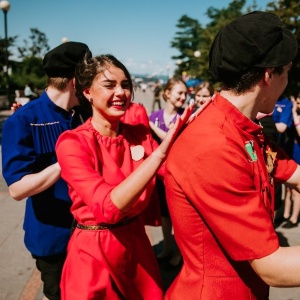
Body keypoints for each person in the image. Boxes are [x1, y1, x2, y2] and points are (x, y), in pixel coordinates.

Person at [164, 11, 300, 299]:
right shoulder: (213, 144)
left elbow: (294, 174)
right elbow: (271, 266)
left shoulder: (245, 129)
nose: (287, 81)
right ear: (268, 75)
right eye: (286, 71)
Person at [55, 54, 194, 300]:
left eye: (126, 85)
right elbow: (108, 207)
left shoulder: (139, 134)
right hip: (94, 251)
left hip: (137, 246)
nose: (121, 92)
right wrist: (159, 154)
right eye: (109, 85)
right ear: (87, 92)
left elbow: (180, 175)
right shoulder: (73, 143)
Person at [1, 41, 91, 300]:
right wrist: (66, 162)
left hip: (90, 232)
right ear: (76, 80)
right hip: (53, 237)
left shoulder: (83, 113)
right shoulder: (23, 120)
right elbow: (17, 189)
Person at [149, 77, 187, 270]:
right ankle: (167, 247)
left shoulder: (184, 115)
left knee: (179, 216)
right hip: (159, 175)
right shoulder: (155, 115)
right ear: (167, 93)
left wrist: (149, 125)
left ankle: (180, 253)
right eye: (179, 92)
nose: (183, 97)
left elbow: (169, 139)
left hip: (178, 174)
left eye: (185, 93)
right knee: (164, 215)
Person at [281, 93, 300, 228]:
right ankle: (285, 215)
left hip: (299, 152)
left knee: (295, 189)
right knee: (287, 187)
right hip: (291, 149)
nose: (298, 106)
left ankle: (294, 218)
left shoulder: (296, 116)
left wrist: (293, 113)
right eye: (298, 102)